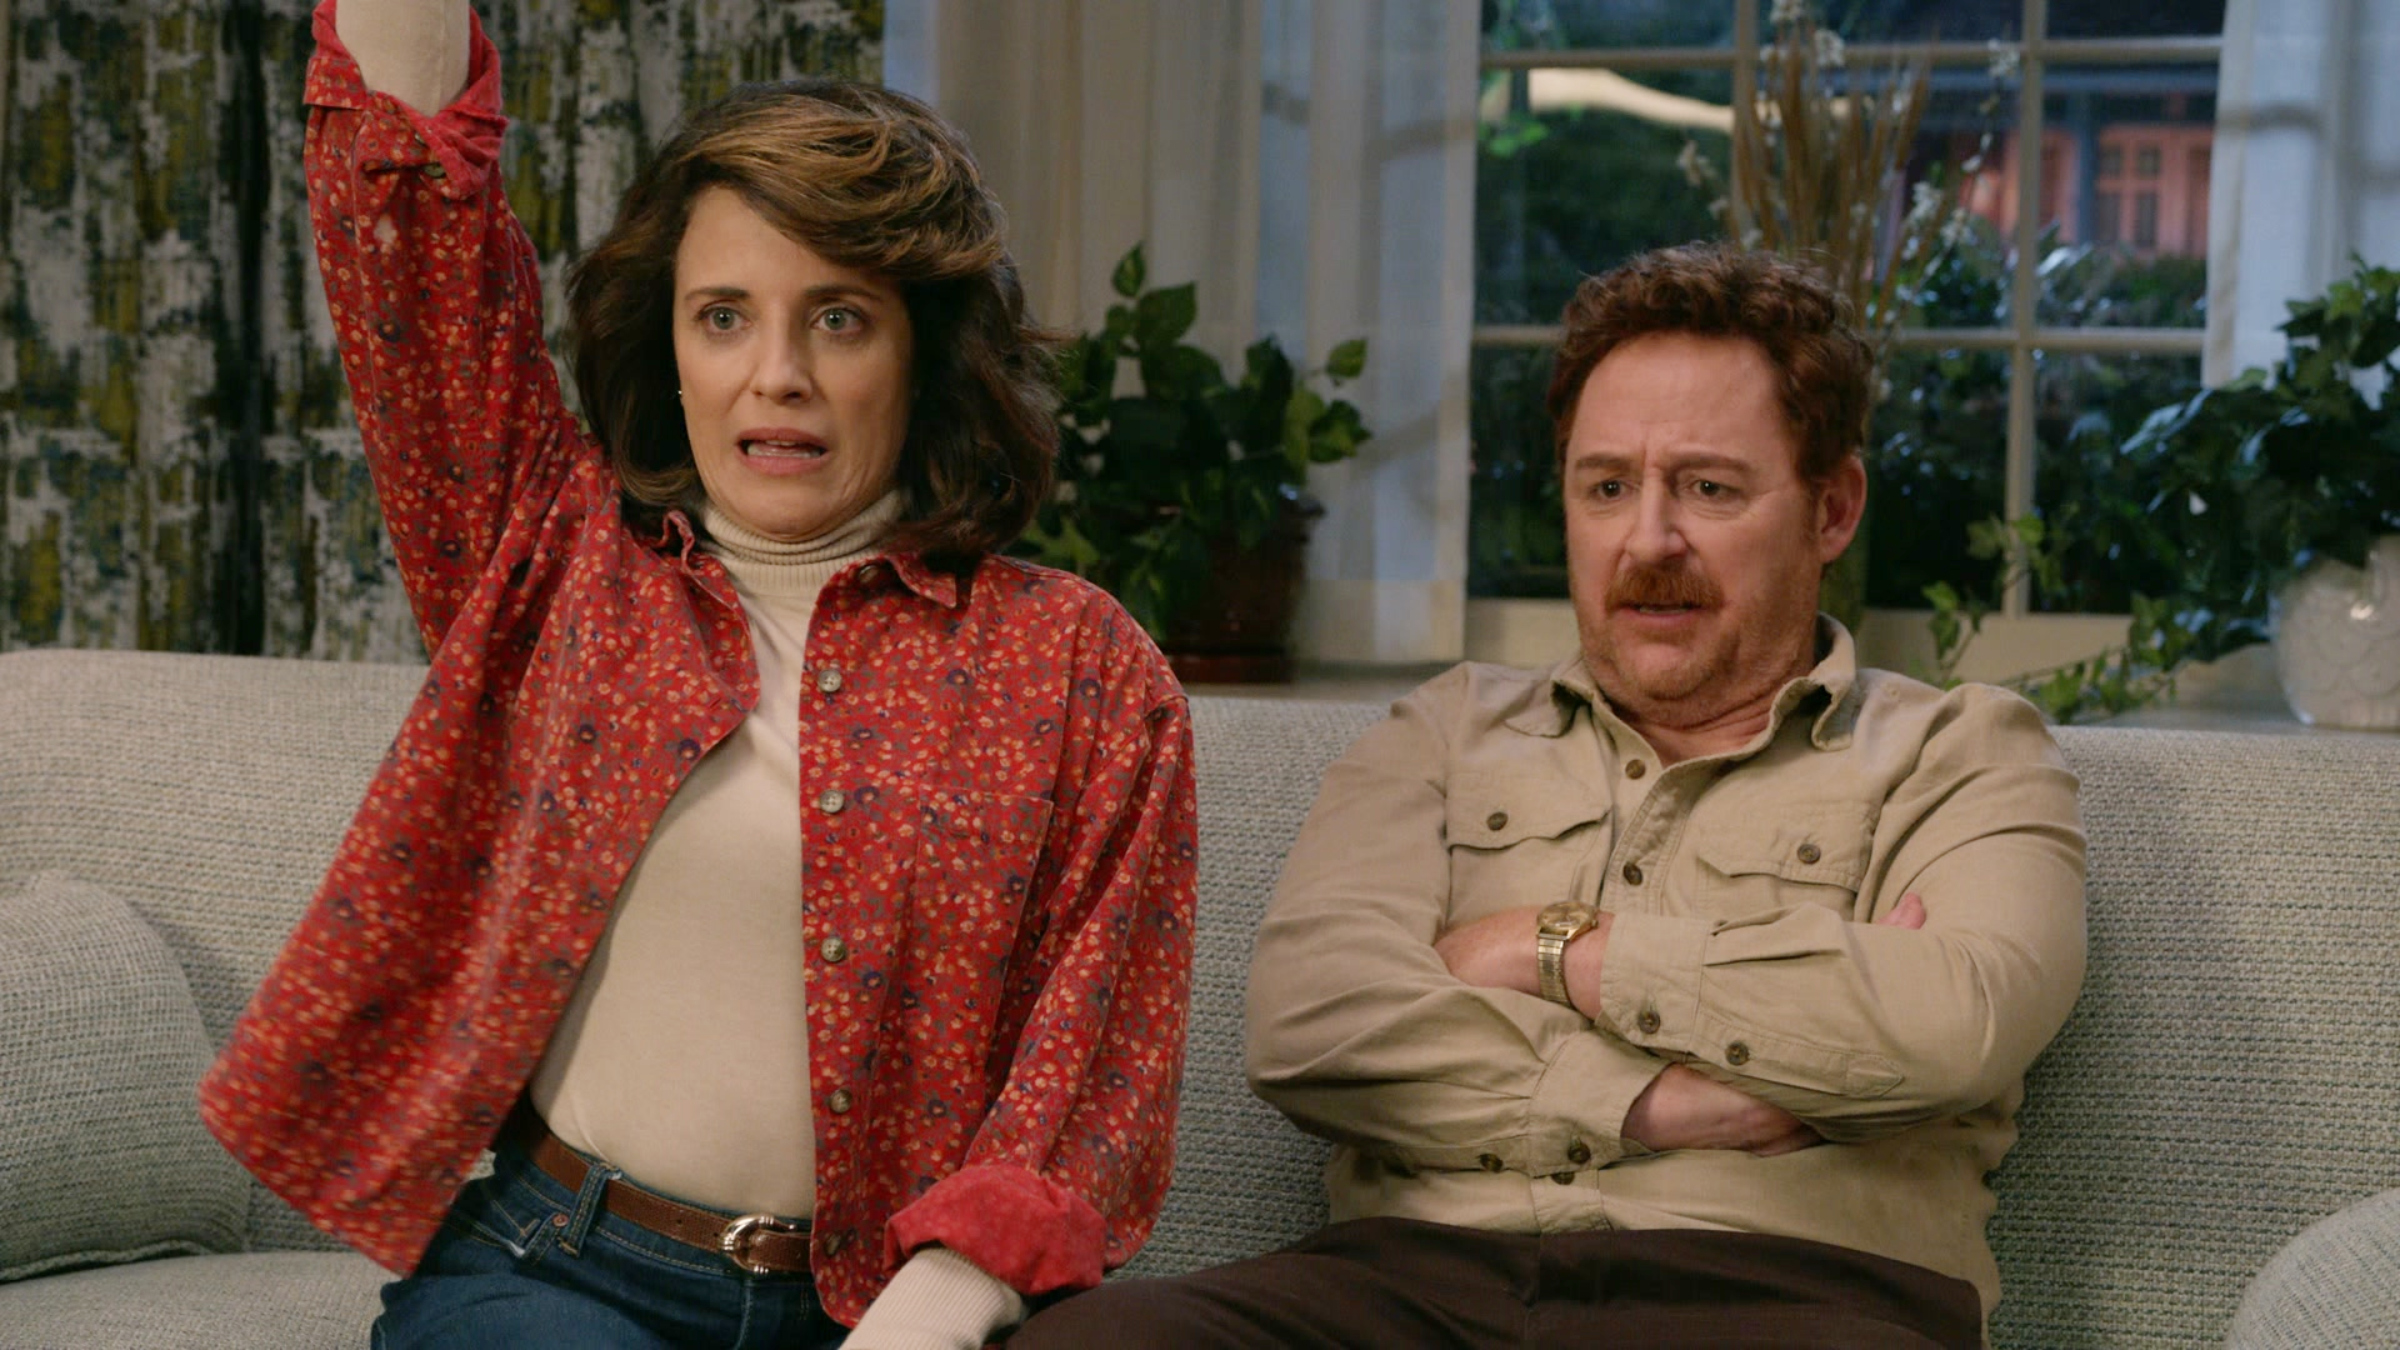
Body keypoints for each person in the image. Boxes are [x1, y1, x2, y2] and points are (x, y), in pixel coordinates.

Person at [198, 4, 1198, 1348]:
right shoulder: (553, 555)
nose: (776, 376)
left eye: (839, 319)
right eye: (724, 317)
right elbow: (410, 242)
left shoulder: (1083, 670)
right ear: (668, 346)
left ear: (923, 348)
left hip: (894, 1309)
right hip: (556, 1277)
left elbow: (1096, 1070)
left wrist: (937, 1309)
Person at [1009, 243, 2085, 1349]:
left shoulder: (1961, 754)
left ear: (1833, 508)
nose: (1649, 540)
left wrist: (1548, 949)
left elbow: (1951, 1022)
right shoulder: (1444, 734)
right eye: (1607, 487)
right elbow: (1312, 1023)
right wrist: (1658, 1103)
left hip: (1788, 1298)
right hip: (1407, 1288)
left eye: (1709, 488)